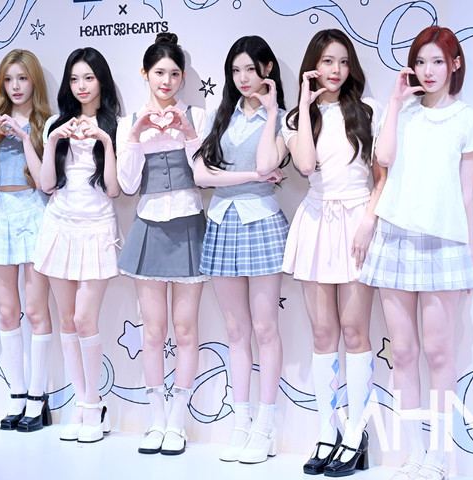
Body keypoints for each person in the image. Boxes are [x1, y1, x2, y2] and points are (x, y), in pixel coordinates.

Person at [360, 26, 473, 480]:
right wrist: (395, 103)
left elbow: (468, 195)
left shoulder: (468, 120)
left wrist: (469, 256)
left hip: (443, 245)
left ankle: (440, 454)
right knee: (404, 352)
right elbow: (384, 161)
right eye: (420, 61)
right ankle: (413, 452)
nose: (428, 70)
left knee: (438, 352)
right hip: (395, 239)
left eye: (437, 61)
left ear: (455, 64)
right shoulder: (403, 113)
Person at [282, 29, 385, 476]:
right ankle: (328, 433)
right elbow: (306, 166)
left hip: (357, 221)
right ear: (313, 66)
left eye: (343, 62)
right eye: (327, 61)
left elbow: (381, 178)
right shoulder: (296, 119)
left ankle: (356, 436)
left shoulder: (369, 111)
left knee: (355, 331)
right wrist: (305, 106)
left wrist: (368, 223)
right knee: (323, 334)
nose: (336, 70)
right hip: (315, 223)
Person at [193, 35, 289, 464]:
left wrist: (271, 113)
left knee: (266, 329)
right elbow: (201, 175)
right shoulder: (223, 114)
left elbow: (270, 164)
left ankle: (265, 427)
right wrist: (248, 176)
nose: (243, 78)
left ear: (268, 69)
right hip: (222, 222)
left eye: (251, 68)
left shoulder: (284, 118)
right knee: (236, 332)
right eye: (236, 70)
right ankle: (240, 421)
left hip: (262, 222)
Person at [116, 32, 208, 456]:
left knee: (186, 329)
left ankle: (178, 420)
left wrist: (188, 133)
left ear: (183, 77)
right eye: (158, 73)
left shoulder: (199, 116)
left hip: (189, 225)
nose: (166, 81)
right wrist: (136, 134)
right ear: (145, 74)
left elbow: (204, 174)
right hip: (149, 226)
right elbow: (127, 184)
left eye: (173, 74)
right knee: (152, 331)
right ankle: (156, 418)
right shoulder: (129, 121)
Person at [32, 47, 121, 444]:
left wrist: (106, 141)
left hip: (97, 227)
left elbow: (116, 190)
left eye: (88, 77)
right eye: (74, 79)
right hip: (59, 226)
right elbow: (47, 185)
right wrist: (53, 140)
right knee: (67, 320)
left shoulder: (116, 124)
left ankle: (94, 403)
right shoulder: (56, 123)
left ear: (101, 80)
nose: (81, 86)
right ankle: (82, 405)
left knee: (85, 319)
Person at [0, 50, 53, 432]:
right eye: (8, 79)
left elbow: (46, 182)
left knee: (36, 311)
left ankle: (38, 396)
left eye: (22, 78)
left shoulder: (47, 123)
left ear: (34, 80)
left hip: (34, 211)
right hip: (0, 214)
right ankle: (17, 393)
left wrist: (24, 137)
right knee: (7, 313)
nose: (15, 86)